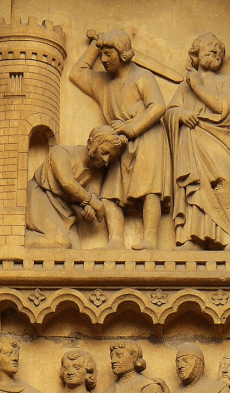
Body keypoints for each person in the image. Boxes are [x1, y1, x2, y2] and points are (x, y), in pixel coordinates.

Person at [70, 29, 171, 249]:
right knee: (110, 194)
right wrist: (94, 46)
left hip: (147, 136)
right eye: (102, 54)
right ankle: (116, 240)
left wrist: (132, 128)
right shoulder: (102, 82)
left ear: (123, 54)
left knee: (149, 189)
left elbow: (158, 106)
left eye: (108, 54)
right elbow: (77, 73)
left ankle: (150, 240)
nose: (104, 59)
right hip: (117, 143)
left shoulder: (142, 77)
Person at [164, 33, 230, 249]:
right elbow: (170, 111)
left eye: (218, 49)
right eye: (209, 46)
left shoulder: (228, 81)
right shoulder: (185, 87)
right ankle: (192, 237)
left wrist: (197, 86)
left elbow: (223, 108)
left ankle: (229, 237)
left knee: (224, 181)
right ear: (196, 54)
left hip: (219, 141)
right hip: (192, 142)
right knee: (195, 185)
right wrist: (181, 115)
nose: (215, 50)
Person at [26, 125, 126, 248]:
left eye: (110, 157)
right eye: (104, 152)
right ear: (91, 144)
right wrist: (92, 202)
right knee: (62, 244)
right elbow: (67, 183)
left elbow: (92, 193)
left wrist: (88, 208)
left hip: (66, 210)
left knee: (75, 253)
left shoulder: (96, 171)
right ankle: (18, 240)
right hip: (41, 198)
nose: (106, 160)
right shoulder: (60, 153)